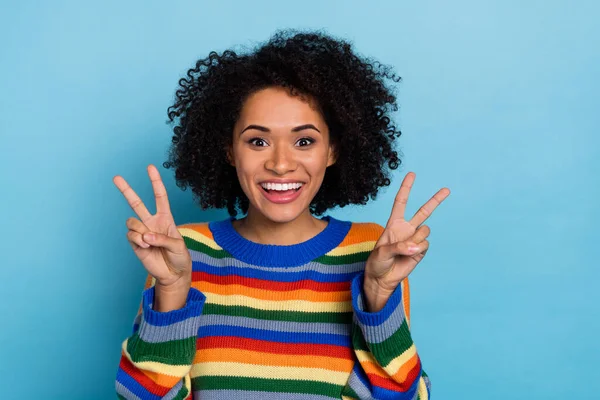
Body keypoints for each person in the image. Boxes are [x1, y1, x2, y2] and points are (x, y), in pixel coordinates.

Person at [112, 29, 450, 400]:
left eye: (304, 141)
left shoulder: (372, 252)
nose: (280, 163)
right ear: (229, 150)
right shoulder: (183, 252)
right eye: (258, 141)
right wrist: (173, 291)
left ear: (333, 150)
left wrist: (378, 295)